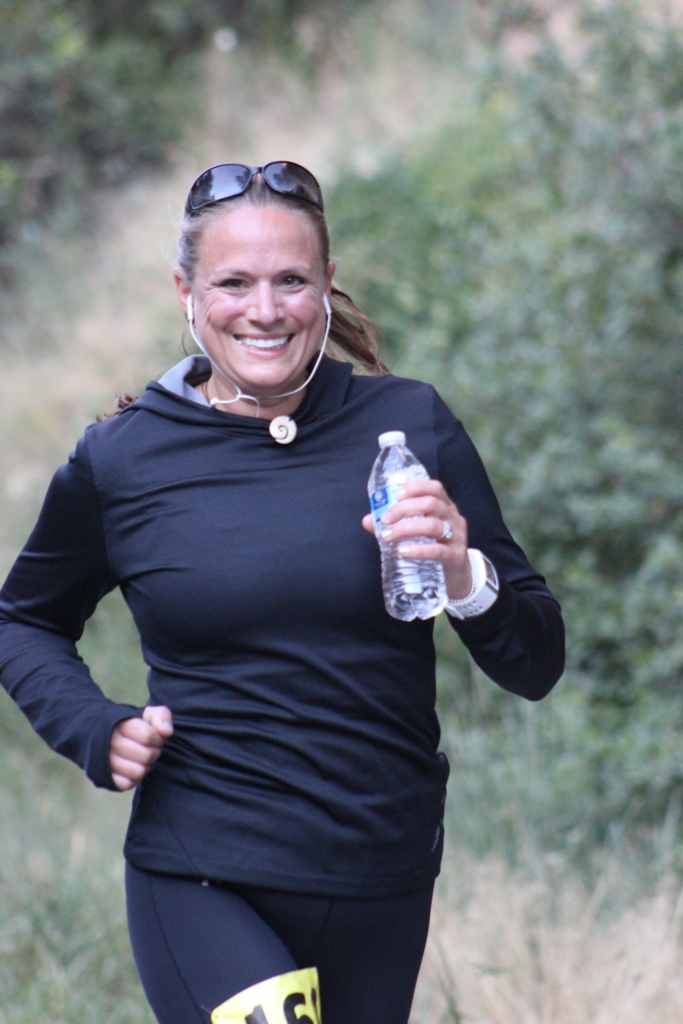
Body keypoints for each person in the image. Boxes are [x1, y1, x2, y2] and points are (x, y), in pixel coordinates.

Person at [0, 161, 564, 1024]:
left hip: (384, 871)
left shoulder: (410, 424)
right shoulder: (123, 457)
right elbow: (23, 619)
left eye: (291, 280)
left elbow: (535, 661)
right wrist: (91, 725)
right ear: (186, 292)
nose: (264, 310)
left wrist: (463, 574)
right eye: (233, 282)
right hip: (206, 867)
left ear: (328, 287)